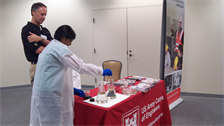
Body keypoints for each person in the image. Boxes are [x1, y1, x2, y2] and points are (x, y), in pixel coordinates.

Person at [29, 25, 112, 126]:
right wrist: (101, 71)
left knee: (44, 120)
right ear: (63, 38)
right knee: (52, 121)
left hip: (43, 92)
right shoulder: (59, 48)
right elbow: (81, 67)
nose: (71, 43)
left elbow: (54, 74)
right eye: (70, 40)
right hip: (49, 95)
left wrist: (70, 89)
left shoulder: (50, 47)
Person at [21, 2, 53, 86]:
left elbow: (55, 45)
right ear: (33, 12)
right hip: (37, 66)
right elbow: (39, 50)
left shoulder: (45, 30)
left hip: (49, 65)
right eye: (42, 14)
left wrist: (40, 39)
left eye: (45, 15)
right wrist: (50, 45)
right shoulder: (27, 30)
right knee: (40, 96)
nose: (44, 17)